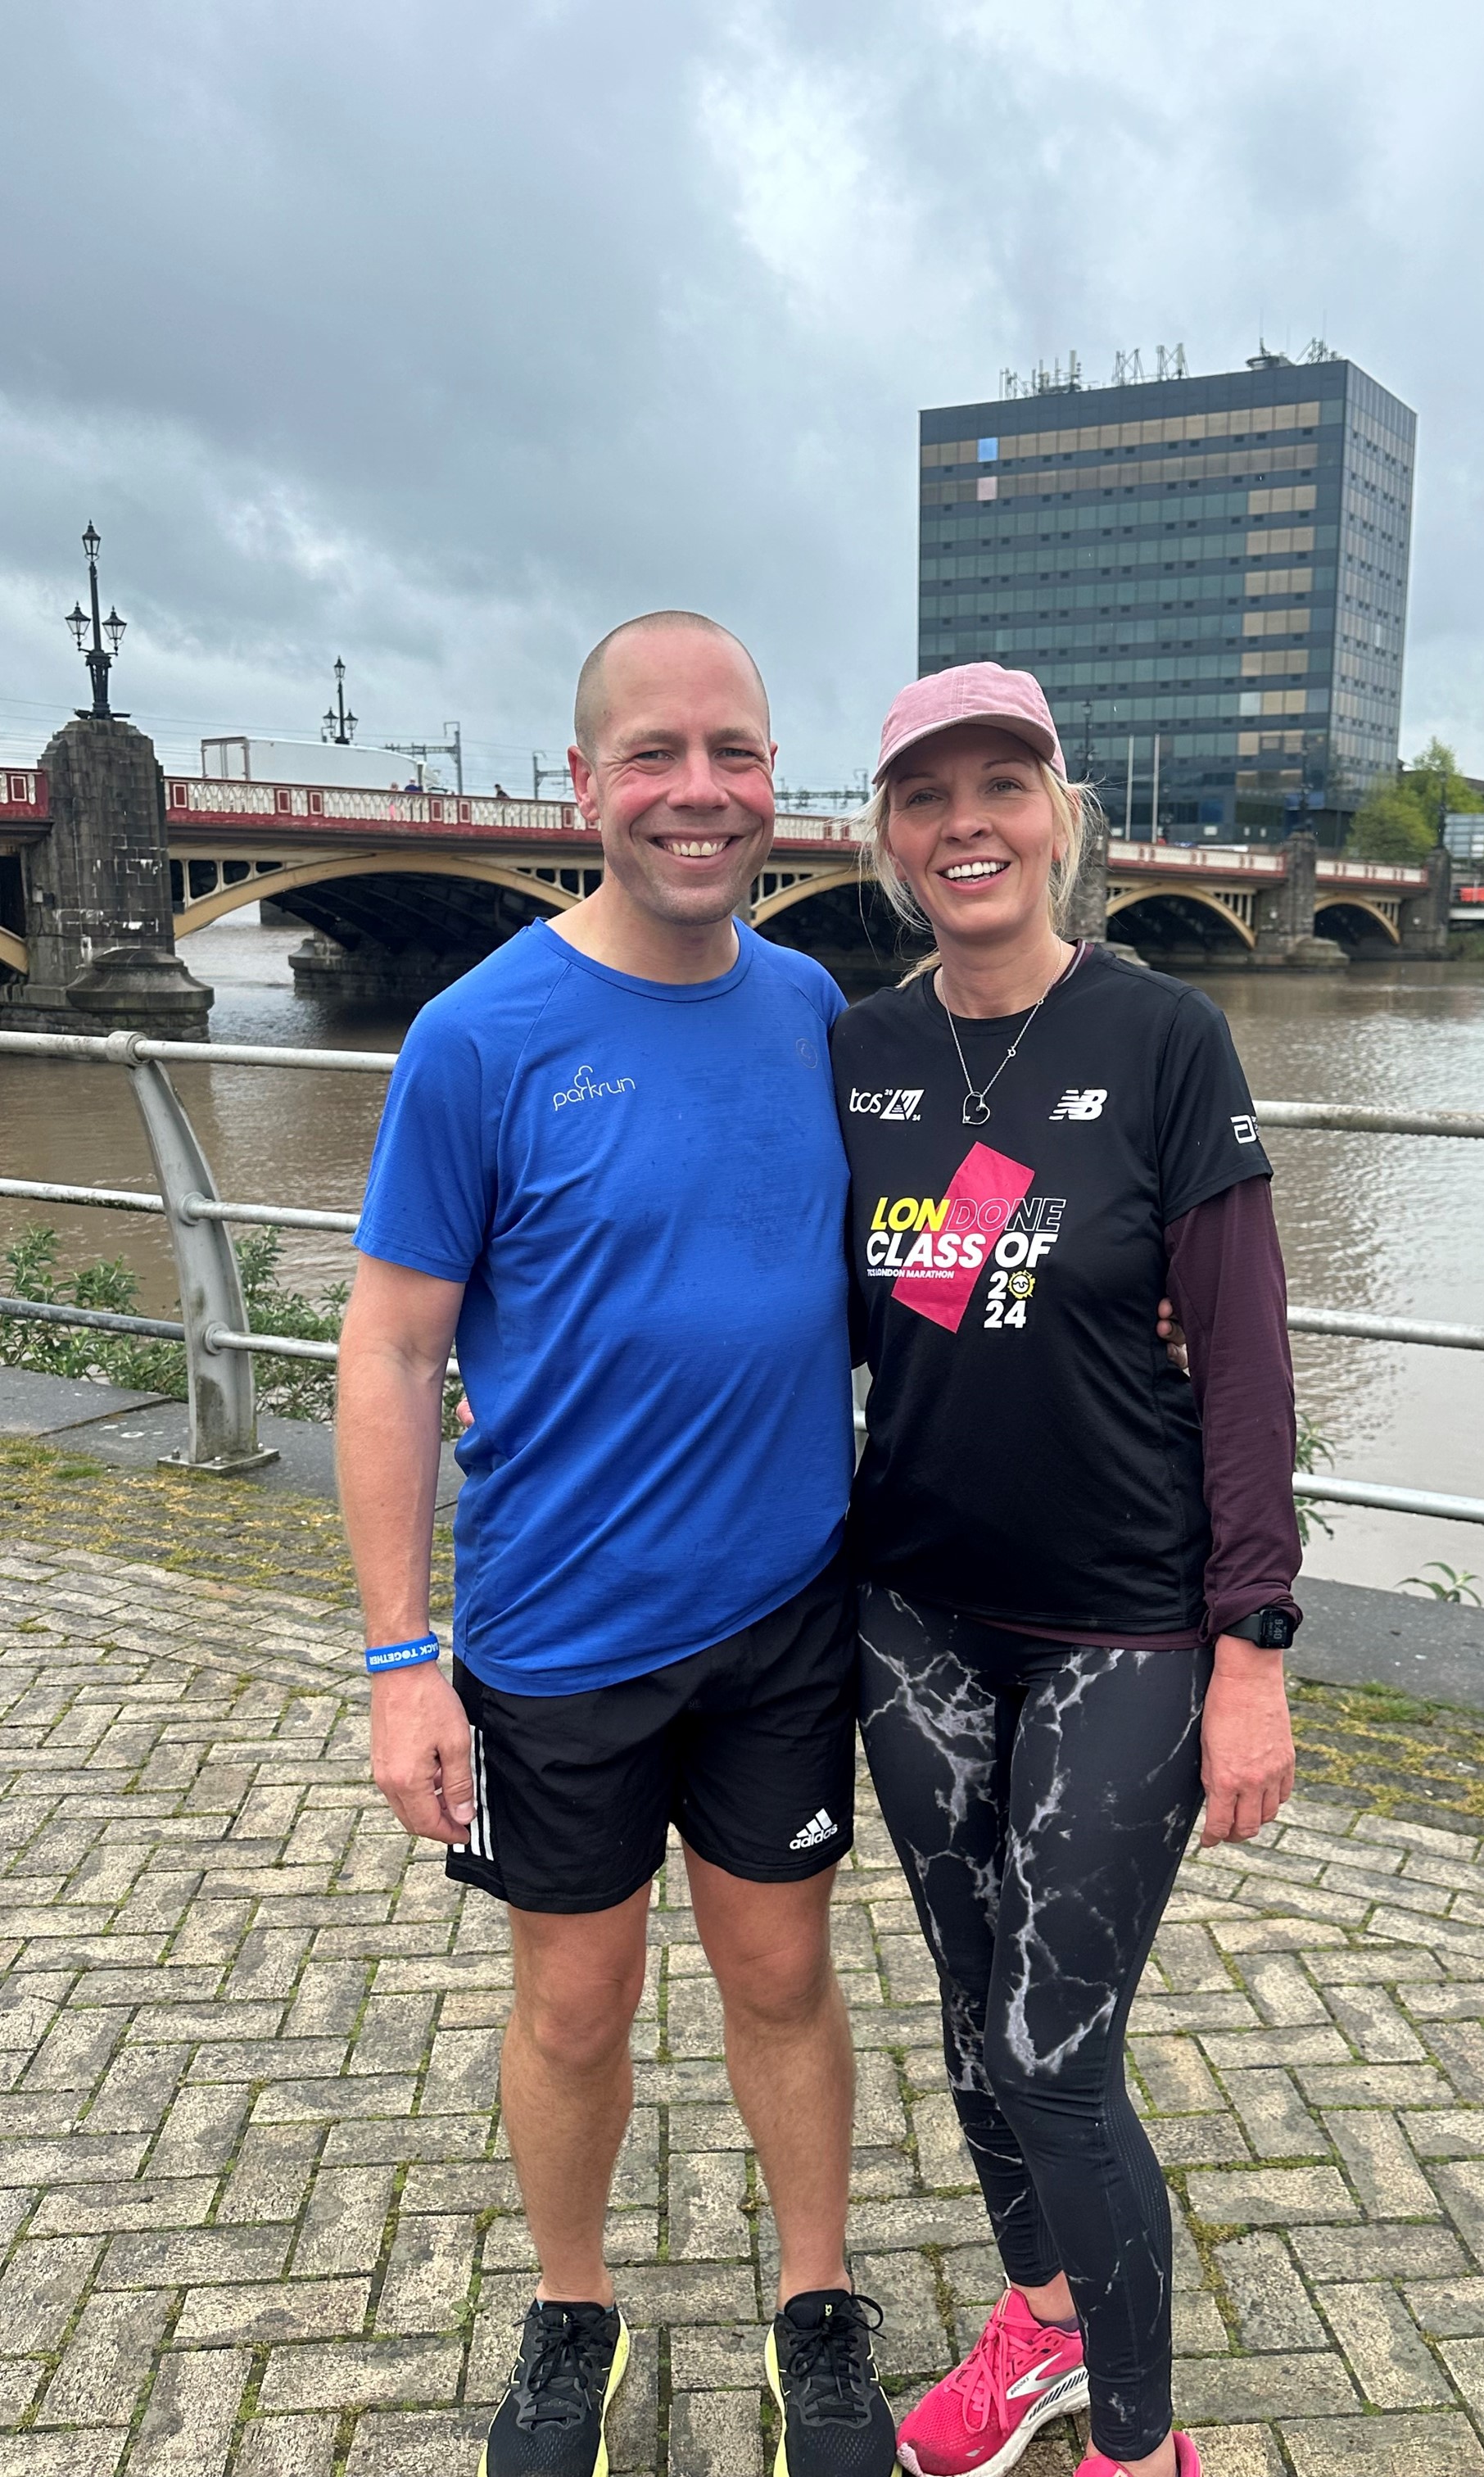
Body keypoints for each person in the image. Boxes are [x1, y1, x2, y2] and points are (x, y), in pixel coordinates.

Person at [337, 612, 898, 2477]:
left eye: (733, 753)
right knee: (575, 2003)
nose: (699, 792)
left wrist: (1125, 1297)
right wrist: (400, 1659)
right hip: (560, 1636)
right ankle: (570, 2313)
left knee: (783, 1976)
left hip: (783, 1612)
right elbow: (396, 1347)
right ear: (583, 784)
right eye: (653, 754)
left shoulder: (817, 1008)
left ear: (773, 785)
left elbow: (912, 1252)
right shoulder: (476, 1036)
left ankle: (815, 2310)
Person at [831, 663, 1301, 2477]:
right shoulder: (857, 1053)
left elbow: (1247, 1361)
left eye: (1002, 786)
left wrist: (1251, 1639)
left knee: (1052, 2048)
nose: (969, 823)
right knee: (969, 2019)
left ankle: (1137, 2444)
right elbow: (801, 1311)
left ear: (1061, 817)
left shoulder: (1165, 1037)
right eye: (928, 793)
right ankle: (1037, 2321)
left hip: (1125, 1621)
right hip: (915, 1611)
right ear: (886, 838)